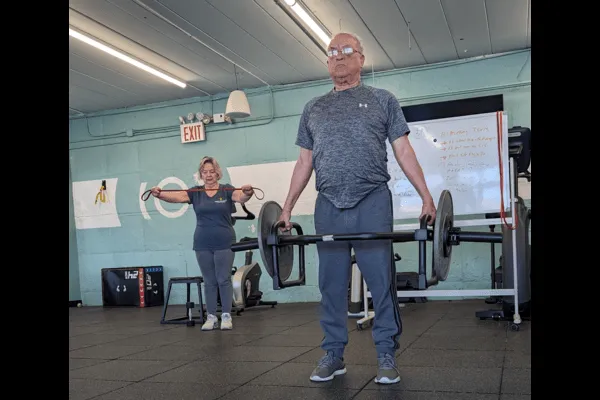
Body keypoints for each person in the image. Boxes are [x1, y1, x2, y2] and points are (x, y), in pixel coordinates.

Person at [278, 32, 437, 385]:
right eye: (332, 51)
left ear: (361, 59)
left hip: (372, 199)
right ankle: (333, 353)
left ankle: (385, 353)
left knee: (380, 282)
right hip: (328, 203)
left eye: (346, 50)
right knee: (331, 285)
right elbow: (304, 162)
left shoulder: (382, 100)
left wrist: (426, 195)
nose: (338, 56)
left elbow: (404, 150)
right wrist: (286, 209)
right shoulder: (313, 108)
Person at [150, 156, 255, 331]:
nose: (208, 175)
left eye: (211, 172)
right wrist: (159, 194)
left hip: (225, 241)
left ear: (217, 173)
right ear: (201, 174)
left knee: (224, 279)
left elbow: (241, 197)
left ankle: (227, 315)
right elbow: (177, 197)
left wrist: (248, 192)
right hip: (202, 242)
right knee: (209, 281)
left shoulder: (227, 189)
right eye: (205, 172)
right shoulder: (196, 192)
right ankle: (212, 316)